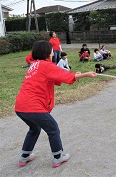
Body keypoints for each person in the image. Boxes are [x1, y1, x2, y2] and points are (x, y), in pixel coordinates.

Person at [15, 40, 97, 168]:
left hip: (20, 107)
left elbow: (56, 77)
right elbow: (64, 76)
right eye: (52, 50)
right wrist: (86, 75)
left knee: (34, 128)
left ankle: (24, 156)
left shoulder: (35, 64)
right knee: (53, 129)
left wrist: (75, 75)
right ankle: (58, 157)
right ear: (47, 53)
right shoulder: (46, 65)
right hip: (33, 107)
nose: (54, 53)